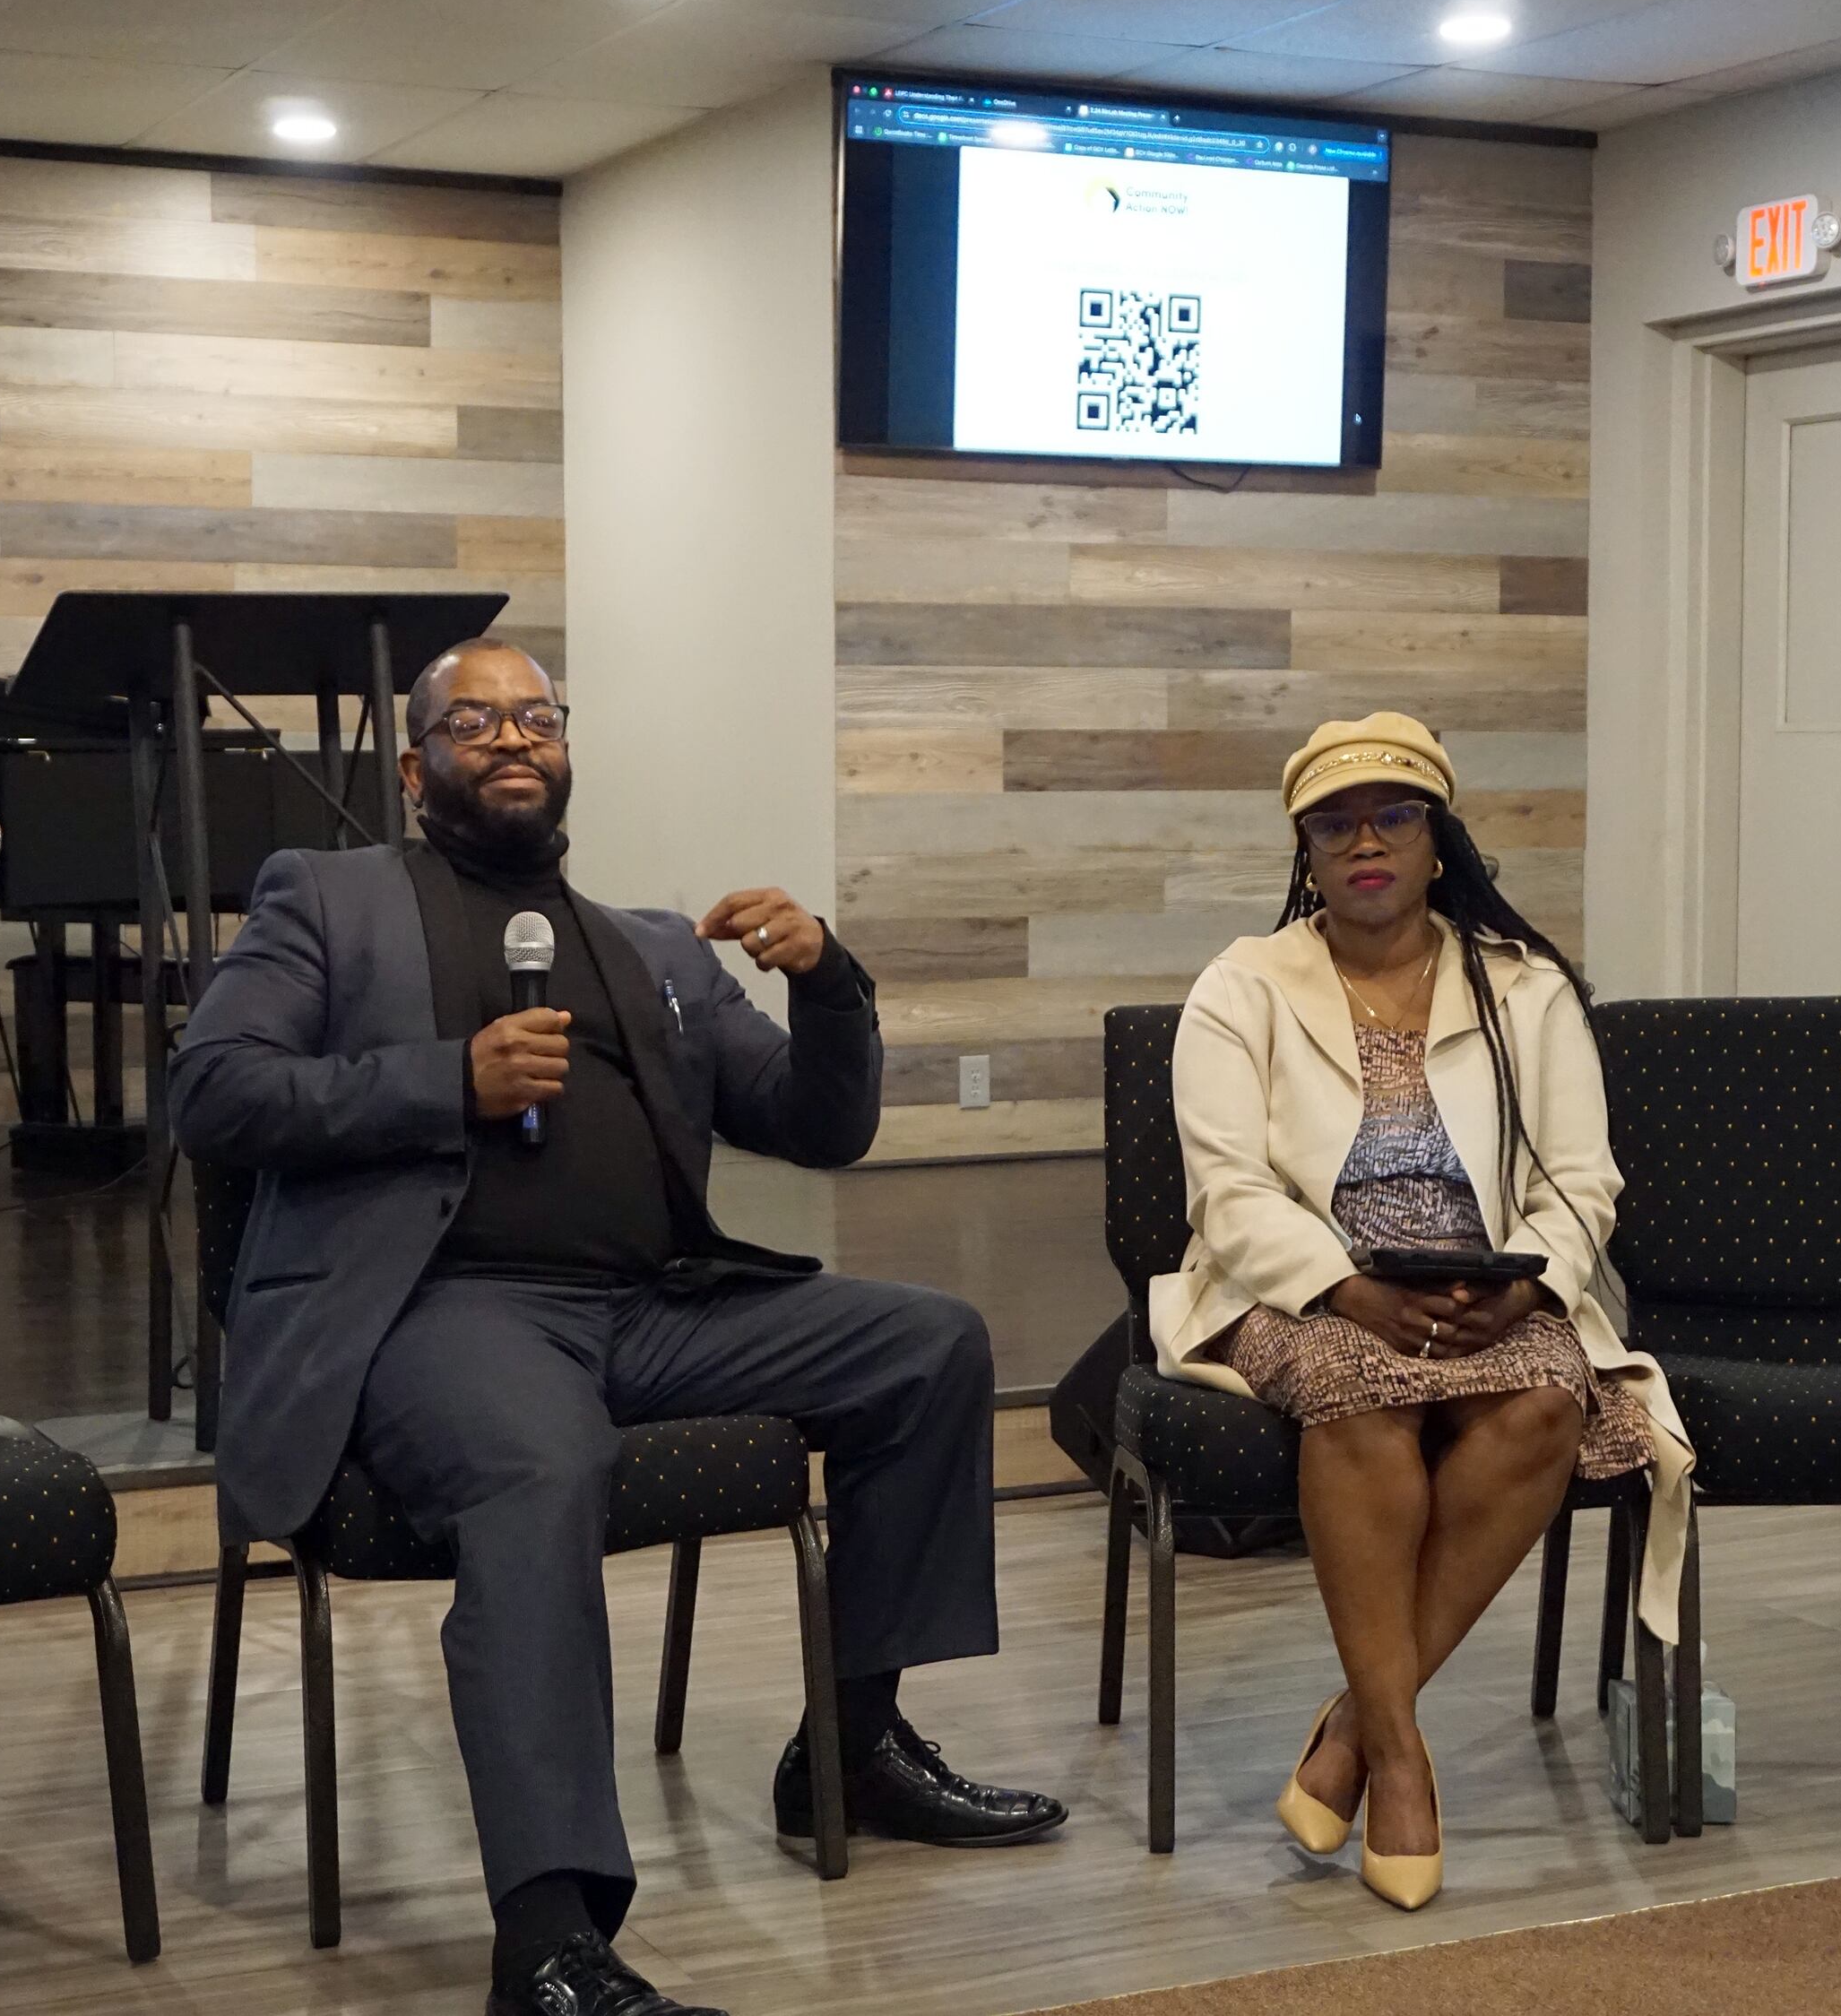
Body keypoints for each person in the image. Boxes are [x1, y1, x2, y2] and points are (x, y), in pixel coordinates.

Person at [171, 640, 1063, 2016]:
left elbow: (822, 1126)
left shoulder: (649, 945)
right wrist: (440, 1079)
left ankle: (852, 1741)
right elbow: (215, 1093)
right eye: (474, 720)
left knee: (927, 1340)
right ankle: (547, 1940)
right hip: (441, 1310)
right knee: (540, 1467)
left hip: (657, 1308)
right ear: (415, 770)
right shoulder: (331, 900)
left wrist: (830, 982)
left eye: (536, 715)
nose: (513, 737)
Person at [1152, 713, 1692, 1911]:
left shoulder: (1523, 986)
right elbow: (1225, 1189)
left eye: (1392, 816)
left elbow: (1578, 1179)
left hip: (1491, 1286)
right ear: (1306, 850)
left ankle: (1350, 1725)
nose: (1365, 842)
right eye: (1335, 824)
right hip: (1304, 1279)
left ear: (1436, 840)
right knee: (1355, 1396)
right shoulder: (1240, 986)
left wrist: (1529, 1280)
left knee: (1548, 1401)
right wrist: (1342, 1284)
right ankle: (1397, 1764)